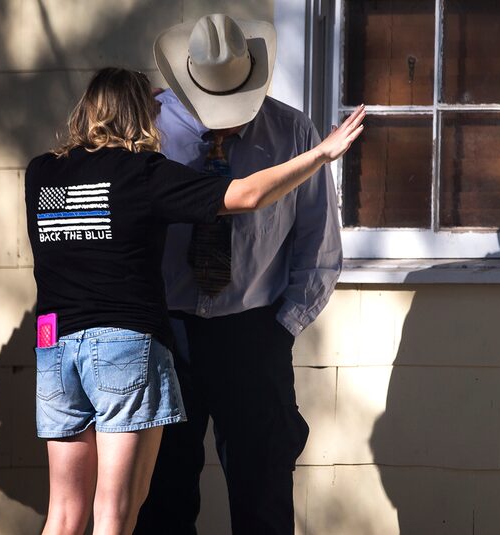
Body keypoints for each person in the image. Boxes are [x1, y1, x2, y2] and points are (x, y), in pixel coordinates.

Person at [25, 67, 364, 535]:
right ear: (147, 114)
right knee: (120, 512)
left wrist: (278, 329)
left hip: (55, 345)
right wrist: (323, 154)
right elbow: (244, 195)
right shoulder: (143, 173)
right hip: (132, 343)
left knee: (63, 512)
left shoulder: (40, 173)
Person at [135, 13, 342, 535]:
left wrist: (281, 328)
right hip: (165, 333)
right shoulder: (146, 131)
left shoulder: (293, 131)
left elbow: (318, 243)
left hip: (253, 333)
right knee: (162, 497)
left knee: (263, 493)